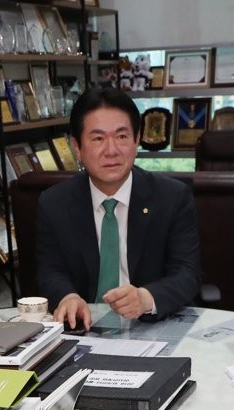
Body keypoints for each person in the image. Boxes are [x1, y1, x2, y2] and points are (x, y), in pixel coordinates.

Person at [36, 87, 201, 331]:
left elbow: (187, 274)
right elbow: (50, 271)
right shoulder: (54, 203)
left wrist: (146, 298)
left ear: (137, 140)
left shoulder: (172, 197)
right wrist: (67, 296)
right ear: (77, 147)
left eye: (122, 136)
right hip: (83, 332)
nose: (111, 150)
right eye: (98, 139)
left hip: (153, 328)